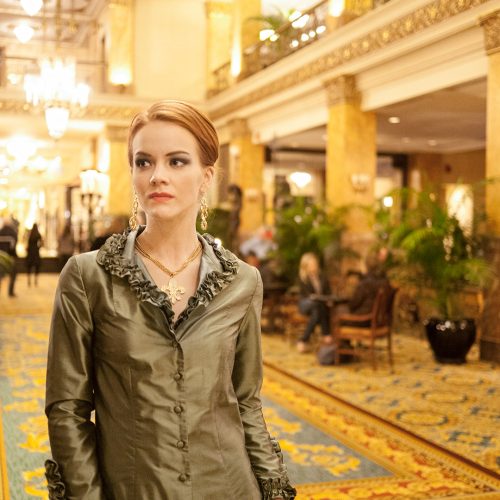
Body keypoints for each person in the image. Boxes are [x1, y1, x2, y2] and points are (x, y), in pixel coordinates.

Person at [45, 100, 296, 499]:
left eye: (177, 162)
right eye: (144, 162)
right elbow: (67, 410)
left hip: (230, 485)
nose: (157, 176)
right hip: (134, 486)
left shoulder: (243, 282)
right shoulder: (87, 276)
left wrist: (273, 488)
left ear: (205, 176)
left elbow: (245, 401)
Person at [296, 252, 332, 353]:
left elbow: (328, 293)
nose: (314, 267)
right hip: (305, 304)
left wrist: (327, 299)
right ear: (305, 266)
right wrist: (316, 298)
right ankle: (326, 333)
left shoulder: (323, 277)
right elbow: (306, 295)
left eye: (315, 264)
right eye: (311, 265)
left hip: (319, 305)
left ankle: (303, 340)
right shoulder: (303, 278)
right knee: (317, 304)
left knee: (317, 310)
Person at [0, 215, 18, 297]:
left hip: (0, 257)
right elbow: (13, 247)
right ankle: (10, 292)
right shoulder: (13, 233)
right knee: (13, 274)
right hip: (9, 257)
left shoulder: (0, 231)